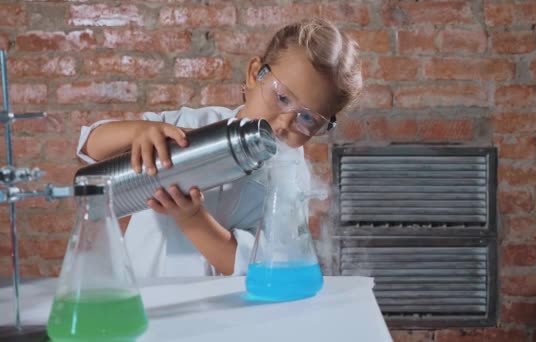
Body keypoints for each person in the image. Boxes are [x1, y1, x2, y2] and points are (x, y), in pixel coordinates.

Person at [76, 17, 362, 278]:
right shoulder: (191, 123)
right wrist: (140, 132)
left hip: (224, 312)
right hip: (145, 295)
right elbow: (92, 145)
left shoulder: (290, 178)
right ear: (254, 74)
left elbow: (253, 264)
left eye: (309, 118)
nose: (283, 123)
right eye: (282, 98)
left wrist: (192, 220)